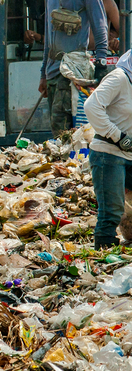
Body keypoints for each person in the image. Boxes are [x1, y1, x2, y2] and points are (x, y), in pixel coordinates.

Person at [39, 0, 109, 136]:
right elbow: (48, 35)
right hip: (53, 72)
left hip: (72, 72)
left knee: (67, 133)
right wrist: (43, 73)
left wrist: (101, 62)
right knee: (57, 132)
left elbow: (99, 24)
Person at [84, 50, 132, 249]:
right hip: (109, 154)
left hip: (129, 154)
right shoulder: (120, 78)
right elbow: (91, 106)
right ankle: (104, 252)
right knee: (111, 211)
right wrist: (117, 136)